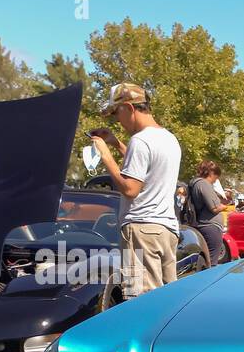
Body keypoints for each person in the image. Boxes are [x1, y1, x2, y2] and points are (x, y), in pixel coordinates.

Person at [88, 83, 183, 297]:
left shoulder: (140, 141)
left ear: (129, 108)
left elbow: (130, 189)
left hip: (142, 229)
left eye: (116, 113)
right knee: (168, 300)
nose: (117, 120)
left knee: (141, 302)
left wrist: (105, 155)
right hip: (166, 230)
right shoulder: (168, 138)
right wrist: (116, 143)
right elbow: (147, 168)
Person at [188, 160, 229, 265]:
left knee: (209, 260)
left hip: (205, 224)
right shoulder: (203, 184)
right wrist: (224, 206)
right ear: (211, 173)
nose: (215, 181)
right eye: (215, 177)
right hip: (210, 226)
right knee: (212, 261)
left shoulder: (196, 183)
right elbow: (214, 208)